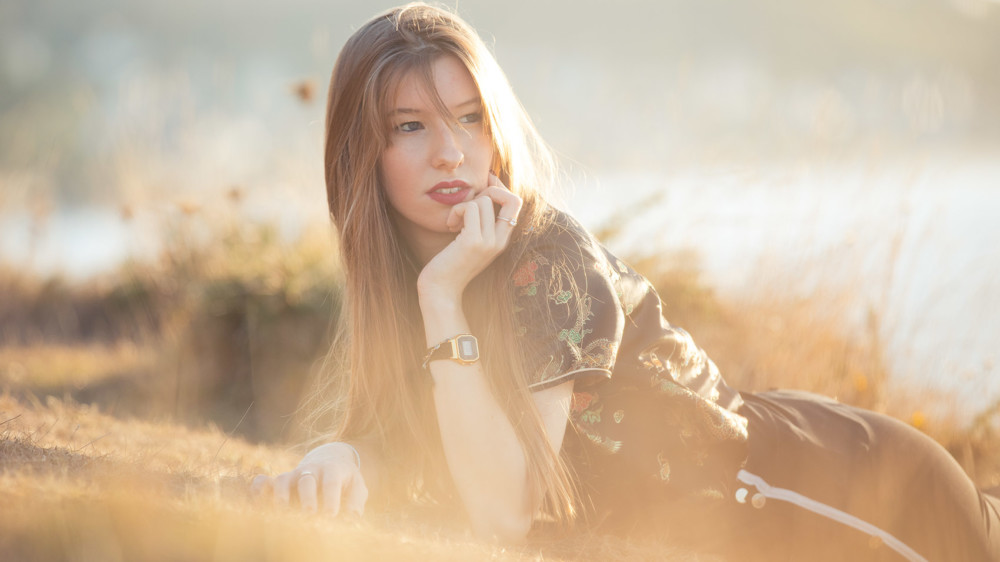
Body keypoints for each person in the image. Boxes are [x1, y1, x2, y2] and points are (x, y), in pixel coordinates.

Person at [251, 3, 1000, 560]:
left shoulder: (545, 259)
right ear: (362, 151)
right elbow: (426, 433)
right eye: (410, 126)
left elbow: (504, 515)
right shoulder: (420, 277)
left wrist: (443, 299)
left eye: (470, 117)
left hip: (834, 493)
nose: (450, 152)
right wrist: (347, 456)